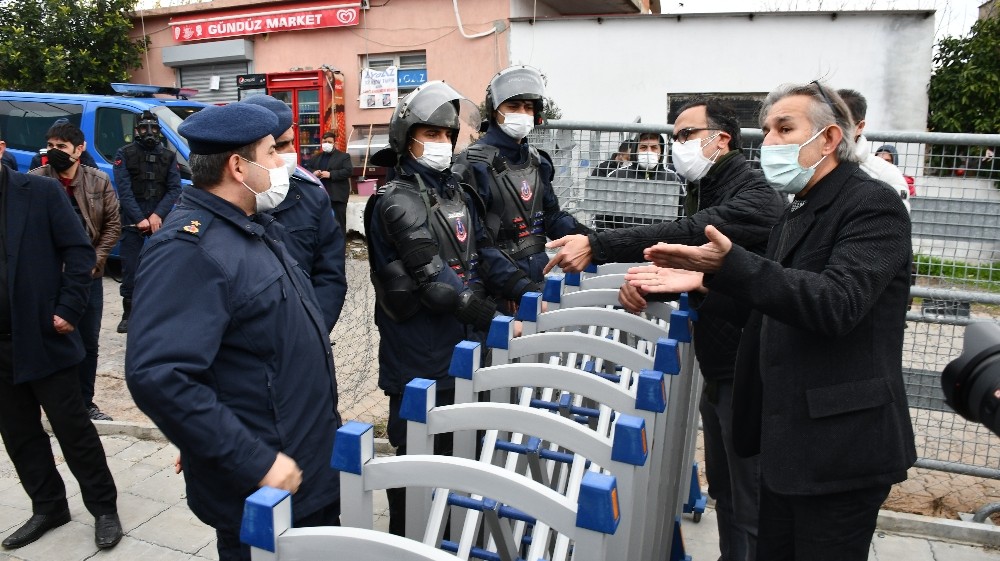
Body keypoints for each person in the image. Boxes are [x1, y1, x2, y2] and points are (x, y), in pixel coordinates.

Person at [632, 82, 916, 561]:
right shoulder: (797, 211)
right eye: (765, 131)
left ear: (828, 139)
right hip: (789, 444)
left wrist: (733, 267)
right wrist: (703, 285)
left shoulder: (873, 205)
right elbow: (774, 309)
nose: (769, 143)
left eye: (785, 128)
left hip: (840, 449)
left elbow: (836, 304)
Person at [546, 98, 784, 561]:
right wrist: (652, 287)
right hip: (722, 365)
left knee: (749, 498)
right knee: (727, 491)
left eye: (685, 135)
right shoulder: (709, 185)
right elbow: (704, 269)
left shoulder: (754, 194)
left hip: (747, 370)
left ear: (721, 139)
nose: (676, 145)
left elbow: (692, 233)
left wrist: (598, 245)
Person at [125, 103, 342, 561]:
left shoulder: (251, 229)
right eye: (272, 151)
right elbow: (161, 375)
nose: (282, 162)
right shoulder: (190, 250)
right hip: (263, 486)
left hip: (306, 466)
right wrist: (248, 457)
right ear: (238, 166)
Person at [366, 81, 532, 535]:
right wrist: (496, 319)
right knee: (417, 463)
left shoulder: (456, 190)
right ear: (407, 136)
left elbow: (487, 256)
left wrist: (529, 290)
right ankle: (407, 540)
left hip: (466, 348)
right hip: (421, 354)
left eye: (446, 134)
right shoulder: (395, 199)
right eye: (430, 133)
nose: (440, 143)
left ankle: (458, 536)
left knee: (468, 458)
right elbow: (436, 286)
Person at [0, 133, 122, 551]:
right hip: (0, 347)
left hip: (44, 337)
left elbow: (80, 253)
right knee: (18, 433)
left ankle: (104, 508)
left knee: (73, 429)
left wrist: (69, 309)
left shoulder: (39, 191)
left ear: (0, 148)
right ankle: (48, 506)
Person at [453, 65, 592, 298]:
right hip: (496, 288)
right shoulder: (473, 164)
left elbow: (551, 216)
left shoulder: (537, 161)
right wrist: (516, 286)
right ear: (495, 110)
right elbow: (472, 243)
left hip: (537, 277)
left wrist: (592, 239)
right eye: (513, 106)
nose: (522, 113)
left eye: (528, 107)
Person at [29, 120, 122, 421]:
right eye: (51, 146)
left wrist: (92, 262)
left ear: (79, 150)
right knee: (47, 338)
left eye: (62, 147)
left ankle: (85, 402)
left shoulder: (98, 181)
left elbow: (112, 226)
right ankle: (51, 404)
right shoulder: (35, 180)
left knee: (87, 340)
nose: (55, 152)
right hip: (47, 277)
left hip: (88, 277)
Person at [241, 94, 347, 332]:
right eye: (278, 147)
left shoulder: (313, 196)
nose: (290, 153)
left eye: (291, 142)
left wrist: (310, 330)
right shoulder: (231, 199)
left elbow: (330, 274)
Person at [112, 110, 182, 333]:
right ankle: (128, 313)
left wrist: (157, 215)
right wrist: (140, 218)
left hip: (160, 220)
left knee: (164, 268)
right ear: (136, 131)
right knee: (131, 270)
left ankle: (162, 313)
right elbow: (124, 192)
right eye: (144, 128)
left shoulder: (169, 156)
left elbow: (174, 189)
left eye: (153, 127)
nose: (149, 132)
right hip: (133, 221)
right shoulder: (124, 154)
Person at [836, 89, 911, 211]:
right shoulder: (810, 168)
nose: (830, 131)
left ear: (859, 127)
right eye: (824, 123)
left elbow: (895, 224)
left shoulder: (885, 174)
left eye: (841, 124)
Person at [307, 130, 354, 233]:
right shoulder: (316, 157)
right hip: (320, 197)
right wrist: (314, 172)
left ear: (334, 143)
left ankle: (340, 247)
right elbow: (307, 169)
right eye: (324, 142)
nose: (326, 144)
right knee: (322, 225)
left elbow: (348, 171)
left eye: (329, 142)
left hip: (337, 197)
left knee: (339, 224)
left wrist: (331, 174)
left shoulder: (343, 156)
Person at [607, 132, 674, 181]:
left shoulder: (671, 178)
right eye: (643, 147)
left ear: (661, 152)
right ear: (635, 151)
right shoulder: (617, 176)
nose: (648, 151)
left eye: (654, 147)